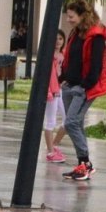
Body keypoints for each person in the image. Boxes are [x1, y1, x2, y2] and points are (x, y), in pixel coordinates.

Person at [60, 0, 106, 181]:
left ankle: (86, 163)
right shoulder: (75, 33)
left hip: (83, 88)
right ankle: (82, 166)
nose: (68, 19)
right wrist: (62, 79)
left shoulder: (95, 37)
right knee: (76, 124)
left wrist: (85, 85)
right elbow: (70, 59)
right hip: (70, 86)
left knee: (71, 123)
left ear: (82, 15)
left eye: (71, 16)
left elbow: (96, 65)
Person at [44, 30, 67, 163]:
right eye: (55, 38)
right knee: (50, 121)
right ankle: (50, 152)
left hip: (59, 89)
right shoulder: (49, 56)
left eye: (60, 39)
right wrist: (48, 91)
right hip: (51, 91)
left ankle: (53, 145)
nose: (58, 41)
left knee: (67, 121)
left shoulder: (62, 55)